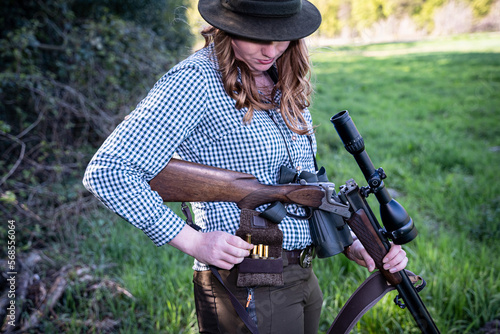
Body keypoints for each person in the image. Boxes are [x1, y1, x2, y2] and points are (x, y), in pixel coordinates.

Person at [83, 0, 409, 333]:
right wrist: (192, 241)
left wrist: (351, 238)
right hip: (248, 279)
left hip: (301, 274)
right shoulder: (195, 81)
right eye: (258, 36)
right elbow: (110, 170)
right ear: (228, 25)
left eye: (281, 37)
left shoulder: (280, 76)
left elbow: (299, 183)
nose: (271, 50)